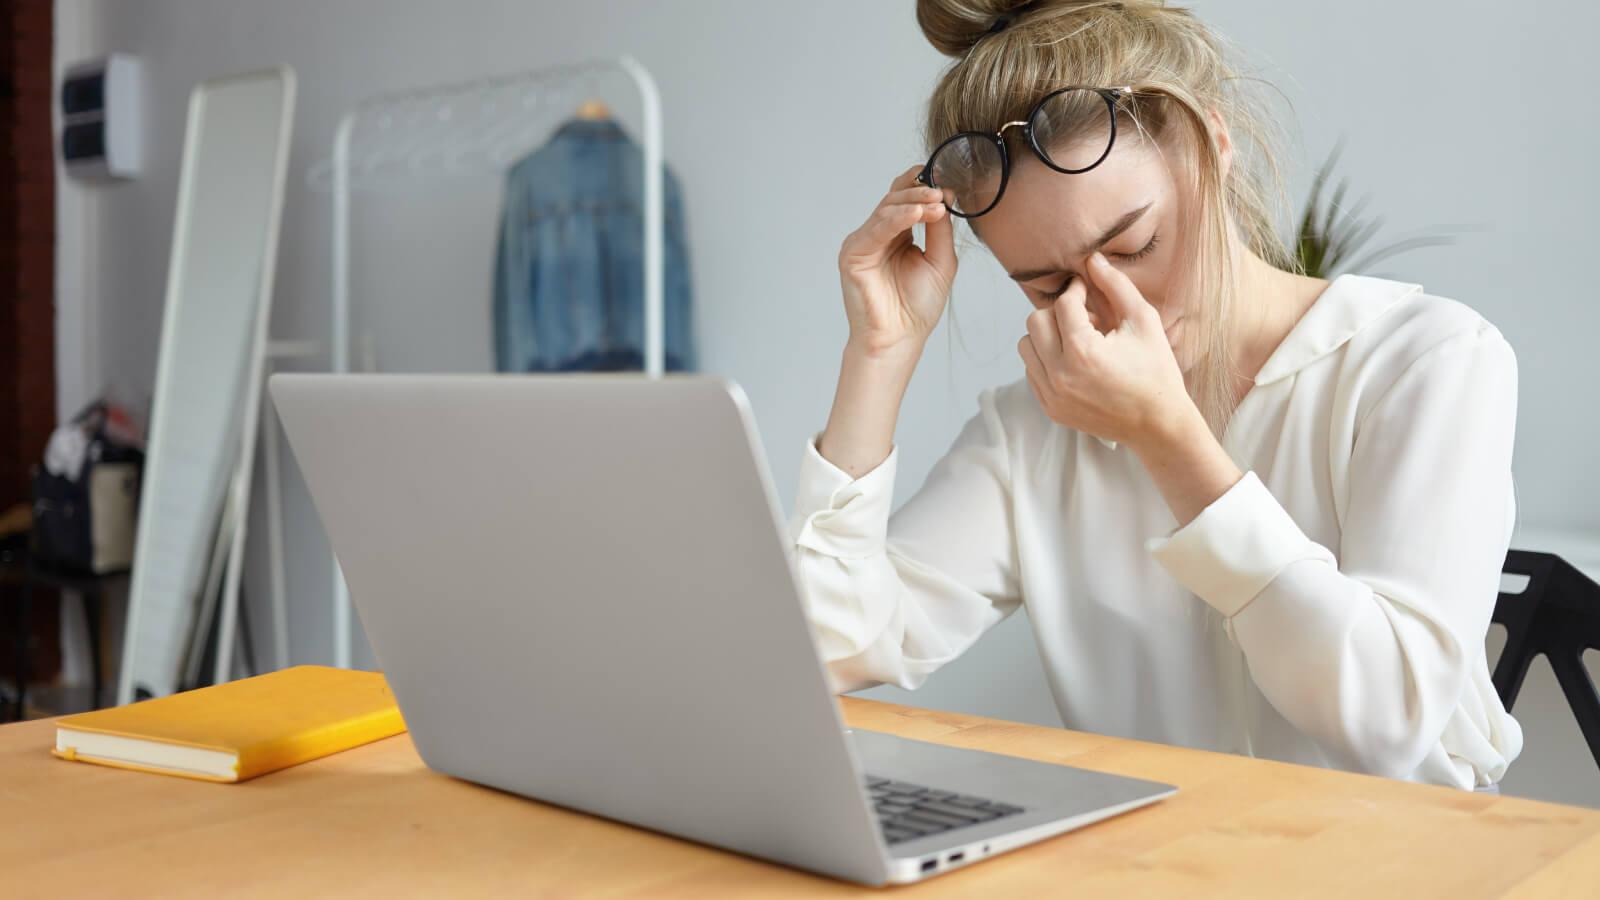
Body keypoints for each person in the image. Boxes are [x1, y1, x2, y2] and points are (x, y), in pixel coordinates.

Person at [788, 0, 1521, 791]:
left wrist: (1167, 439)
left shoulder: (1423, 361)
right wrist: (879, 354)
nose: (1110, 308)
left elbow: (1385, 718)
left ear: (1214, 145)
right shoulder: (1034, 432)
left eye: (1135, 245)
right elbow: (825, 648)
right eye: (1047, 287)